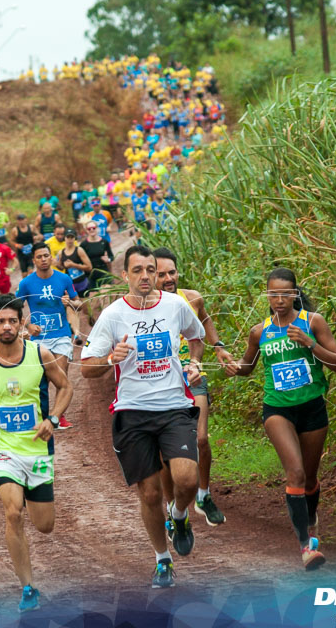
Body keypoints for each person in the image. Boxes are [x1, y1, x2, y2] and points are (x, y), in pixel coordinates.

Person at [80, 246, 206, 588]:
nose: (147, 276)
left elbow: (198, 337)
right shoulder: (112, 316)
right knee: (149, 494)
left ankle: (179, 515)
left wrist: (194, 364)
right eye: (138, 270)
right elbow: (86, 367)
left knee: (187, 480)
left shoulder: (176, 305)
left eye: (151, 269)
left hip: (173, 407)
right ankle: (162, 560)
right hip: (132, 412)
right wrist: (110, 359)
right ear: (125, 276)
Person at [0, 294, 73, 613]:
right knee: (12, 513)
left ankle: (29, 578)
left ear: (22, 323)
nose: (6, 326)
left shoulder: (40, 353)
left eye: (11, 321)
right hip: (3, 449)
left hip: (37, 450)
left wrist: (52, 418)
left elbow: (65, 387)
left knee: (44, 524)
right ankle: (28, 587)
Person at [223, 267, 336, 570]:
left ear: (294, 294)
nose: (278, 299)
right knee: (296, 474)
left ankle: (310, 516)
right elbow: (247, 367)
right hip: (277, 408)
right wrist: (234, 367)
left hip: (312, 406)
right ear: (267, 295)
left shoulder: (312, 322)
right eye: (273, 293)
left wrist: (309, 343)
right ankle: (306, 546)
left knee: (311, 478)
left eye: (285, 293)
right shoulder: (259, 331)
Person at [153, 248, 235, 527]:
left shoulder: (192, 298)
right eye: (161, 274)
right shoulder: (144, 306)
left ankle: (203, 495)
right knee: (165, 453)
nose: (168, 278)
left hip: (192, 377)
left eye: (171, 272)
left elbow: (205, 320)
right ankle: (172, 507)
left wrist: (217, 348)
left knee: (200, 439)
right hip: (161, 384)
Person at [17, 242, 81, 430]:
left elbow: (80, 305)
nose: (44, 259)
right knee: (40, 379)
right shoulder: (26, 283)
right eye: (39, 257)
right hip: (39, 337)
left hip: (61, 334)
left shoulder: (64, 279)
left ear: (51, 257)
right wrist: (28, 325)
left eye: (46, 255)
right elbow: (16, 308)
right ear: (34, 260)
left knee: (60, 376)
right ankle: (41, 416)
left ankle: (58, 416)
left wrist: (70, 302)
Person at [80, 219, 114, 289]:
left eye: (94, 228)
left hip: (103, 271)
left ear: (97, 229)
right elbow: (80, 260)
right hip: (90, 274)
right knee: (95, 298)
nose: (92, 230)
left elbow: (111, 256)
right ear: (86, 230)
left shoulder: (104, 242)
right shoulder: (83, 245)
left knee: (106, 295)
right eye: (89, 229)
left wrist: (108, 259)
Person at [58, 229, 93, 297]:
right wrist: (54, 263)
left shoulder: (79, 250)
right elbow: (61, 267)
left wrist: (73, 265)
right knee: (72, 306)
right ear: (64, 238)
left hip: (82, 283)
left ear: (75, 238)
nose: (70, 240)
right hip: (70, 284)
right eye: (68, 237)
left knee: (84, 305)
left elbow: (89, 267)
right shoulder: (61, 253)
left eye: (72, 237)